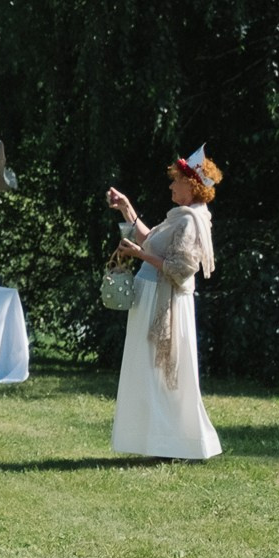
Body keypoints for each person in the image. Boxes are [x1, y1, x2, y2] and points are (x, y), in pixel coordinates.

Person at [106, 151, 222, 461]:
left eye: (177, 182)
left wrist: (138, 255)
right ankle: (155, 441)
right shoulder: (180, 217)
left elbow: (180, 268)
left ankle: (172, 441)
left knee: (163, 370)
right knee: (148, 370)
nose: (171, 187)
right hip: (151, 297)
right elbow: (149, 239)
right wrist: (127, 208)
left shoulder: (191, 220)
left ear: (192, 186)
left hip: (163, 301)